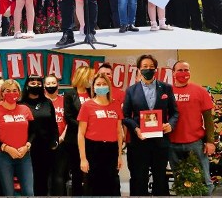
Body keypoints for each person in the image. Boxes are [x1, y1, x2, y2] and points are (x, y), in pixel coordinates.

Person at [122, 54, 179, 196]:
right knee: (139, 178)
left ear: (156, 69)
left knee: (160, 178)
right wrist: (136, 129)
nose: (148, 69)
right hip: (139, 142)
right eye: (145, 67)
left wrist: (170, 125)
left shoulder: (166, 88)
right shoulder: (131, 90)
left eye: (151, 67)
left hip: (160, 142)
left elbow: (174, 113)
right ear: (139, 69)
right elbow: (125, 116)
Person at [169, 60, 215, 195]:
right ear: (173, 73)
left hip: (196, 144)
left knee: (205, 181)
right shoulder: (166, 92)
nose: (184, 73)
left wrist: (210, 141)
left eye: (186, 70)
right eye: (180, 70)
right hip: (172, 144)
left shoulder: (200, 91)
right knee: (180, 182)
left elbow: (208, 119)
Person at [77, 71, 124, 196]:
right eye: (98, 84)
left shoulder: (115, 105)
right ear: (93, 87)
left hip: (111, 149)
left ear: (108, 86)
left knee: (111, 185)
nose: (101, 86)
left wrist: (119, 155)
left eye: (104, 84)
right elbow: (81, 134)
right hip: (93, 149)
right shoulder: (87, 105)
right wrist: (83, 159)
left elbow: (119, 132)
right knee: (93, 186)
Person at [0, 79, 34, 196]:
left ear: (19, 93)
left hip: (24, 155)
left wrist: (27, 145)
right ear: (2, 93)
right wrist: (7, 148)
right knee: (8, 192)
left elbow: (33, 131)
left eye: (14, 90)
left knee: (29, 192)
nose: (11, 93)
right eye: (8, 90)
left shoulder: (25, 109)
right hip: (3, 156)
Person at [20, 76, 58, 196]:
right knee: (29, 181)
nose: (35, 85)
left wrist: (55, 141)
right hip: (26, 148)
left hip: (45, 148)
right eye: (32, 83)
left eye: (38, 83)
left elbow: (53, 124)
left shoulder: (47, 102)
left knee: (43, 180)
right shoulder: (20, 103)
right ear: (27, 85)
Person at [63, 65, 95, 196]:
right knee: (77, 172)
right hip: (74, 139)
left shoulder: (93, 93)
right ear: (82, 77)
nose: (91, 80)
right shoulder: (70, 94)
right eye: (90, 78)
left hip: (92, 139)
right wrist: (84, 126)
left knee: (91, 172)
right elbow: (68, 116)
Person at [44, 75, 68, 195]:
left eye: (53, 83)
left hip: (62, 143)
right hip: (44, 145)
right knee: (45, 177)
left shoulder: (64, 100)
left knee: (59, 176)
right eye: (48, 83)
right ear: (44, 86)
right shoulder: (41, 101)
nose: (51, 86)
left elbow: (69, 121)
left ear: (58, 85)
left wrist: (61, 138)